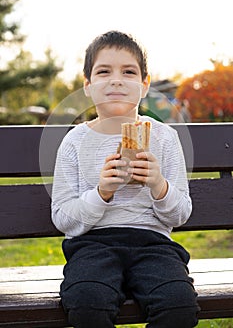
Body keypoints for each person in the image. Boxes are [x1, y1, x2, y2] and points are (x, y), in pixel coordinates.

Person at [51, 30, 199, 328]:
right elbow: (62, 217)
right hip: (92, 245)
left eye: (128, 72)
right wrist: (102, 192)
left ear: (144, 85)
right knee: (87, 300)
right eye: (104, 71)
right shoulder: (74, 142)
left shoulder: (165, 138)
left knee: (178, 304)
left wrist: (158, 185)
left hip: (154, 244)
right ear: (88, 86)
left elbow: (180, 214)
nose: (116, 80)